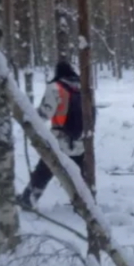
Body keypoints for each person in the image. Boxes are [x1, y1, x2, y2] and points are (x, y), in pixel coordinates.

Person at [18, 60, 87, 209]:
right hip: (81, 139)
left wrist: (28, 119)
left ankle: (28, 199)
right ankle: (86, 203)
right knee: (81, 174)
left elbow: (44, 114)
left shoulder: (55, 88)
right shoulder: (82, 87)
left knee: (44, 169)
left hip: (60, 140)